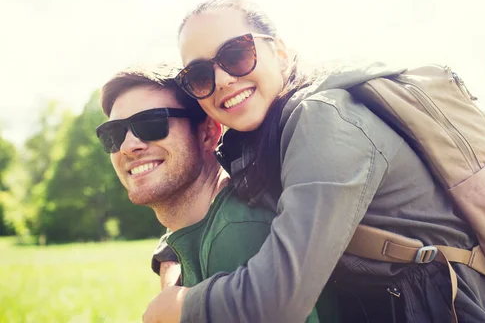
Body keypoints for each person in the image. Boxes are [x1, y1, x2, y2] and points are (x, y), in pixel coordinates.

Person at [145, 0, 485, 323]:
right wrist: (171, 252)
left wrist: (181, 307)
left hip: (441, 310)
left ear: (279, 52)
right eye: (197, 75)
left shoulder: (324, 121)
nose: (222, 79)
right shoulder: (259, 140)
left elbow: (277, 301)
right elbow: (229, 202)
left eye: (237, 54)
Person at [97, 66, 338, 323]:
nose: (127, 146)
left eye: (152, 124)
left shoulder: (238, 232)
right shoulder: (203, 227)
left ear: (208, 133)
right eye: (114, 134)